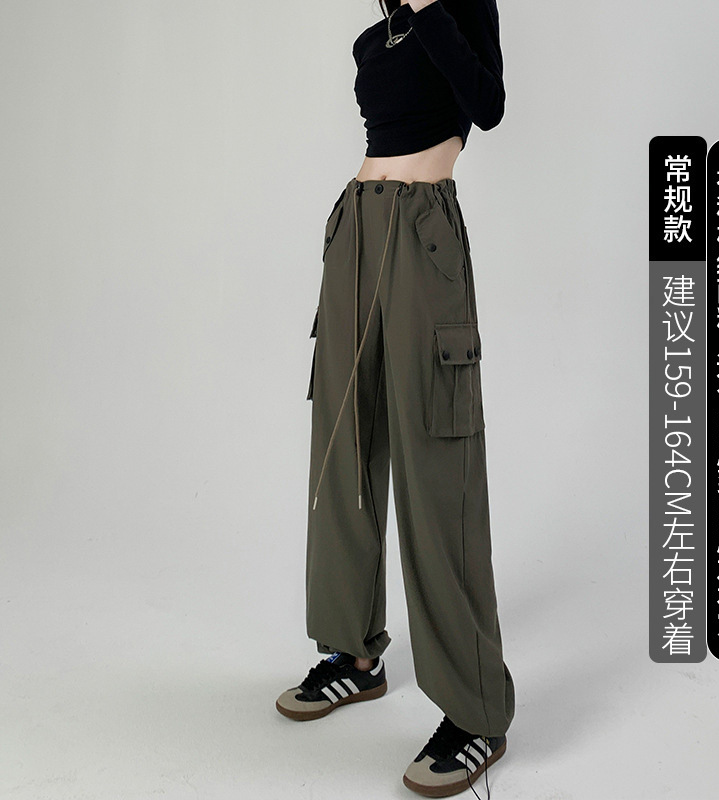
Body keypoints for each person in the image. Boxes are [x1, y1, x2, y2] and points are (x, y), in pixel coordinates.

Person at [276, 1, 515, 796]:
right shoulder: (373, 38)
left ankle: (477, 712)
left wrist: (431, 11)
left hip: (422, 234)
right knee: (342, 444)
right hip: (354, 227)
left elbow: (488, 106)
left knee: (437, 464)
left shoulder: (460, 9)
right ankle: (353, 653)